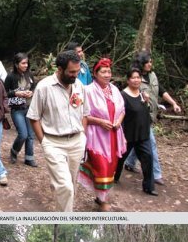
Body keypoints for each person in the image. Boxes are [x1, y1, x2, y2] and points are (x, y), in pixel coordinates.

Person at [27, 50, 89, 212]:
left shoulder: (79, 86)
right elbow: (34, 117)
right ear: (60, 69)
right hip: (53, 143)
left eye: (77, 71)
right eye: (72, 72)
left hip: (76, 142)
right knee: (65, 187)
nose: (75, 75)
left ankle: (62, 201)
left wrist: (83, 135)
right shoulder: (44, 87)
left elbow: (85, 113)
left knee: (71, 184)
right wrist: (44, 142)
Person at [124, 51, 181, 185]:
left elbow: (161, 90)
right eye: (148, 62)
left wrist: (174, 103)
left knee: (136, 142)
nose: (150, 64)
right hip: (139, 117)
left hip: (150, 116)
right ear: (141, 63)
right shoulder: (135, 78)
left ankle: (129, 163)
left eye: (151, 61)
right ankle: (156, 174)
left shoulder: (153, 75)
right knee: (151, 144)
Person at [78, 58, 127, 212]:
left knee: (111, 166)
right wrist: (99, 122)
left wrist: (118, 121)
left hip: (113, 134)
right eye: (103, 72)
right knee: (101, 165)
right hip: (96, 136)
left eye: (109, 72)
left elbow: (122, 110)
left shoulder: (115, 90)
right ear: (95, 74)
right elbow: (82, 114)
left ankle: (100, 196)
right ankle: (102, 200)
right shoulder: (88, 91)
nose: (107, 75)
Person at [114, 67, 158, 196]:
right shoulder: (123, 95)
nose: (136, 80)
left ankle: (149, 187)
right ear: (128, 80)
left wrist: (147, 102)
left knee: (148, 158)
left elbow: (145, 112)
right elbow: (119, 114)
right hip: (128, 135)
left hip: (143, 134)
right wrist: (121, 135)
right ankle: (113, 178)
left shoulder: (143, 95)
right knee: (120, 159)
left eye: (138, 77)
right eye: (133, 77)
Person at [4, 52, 37, 167]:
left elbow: (34, 87)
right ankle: (14, 151)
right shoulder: (10, 76)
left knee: (30, 135)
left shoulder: (30, 75)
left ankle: (29, 158)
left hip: (29, 107)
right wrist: (15, 93)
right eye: (23, 63)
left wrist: (31, 92)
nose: (26, 65)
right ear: (16, 64)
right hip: (17, 109)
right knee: (23, 134)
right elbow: (4, 93)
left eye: (27, 63)